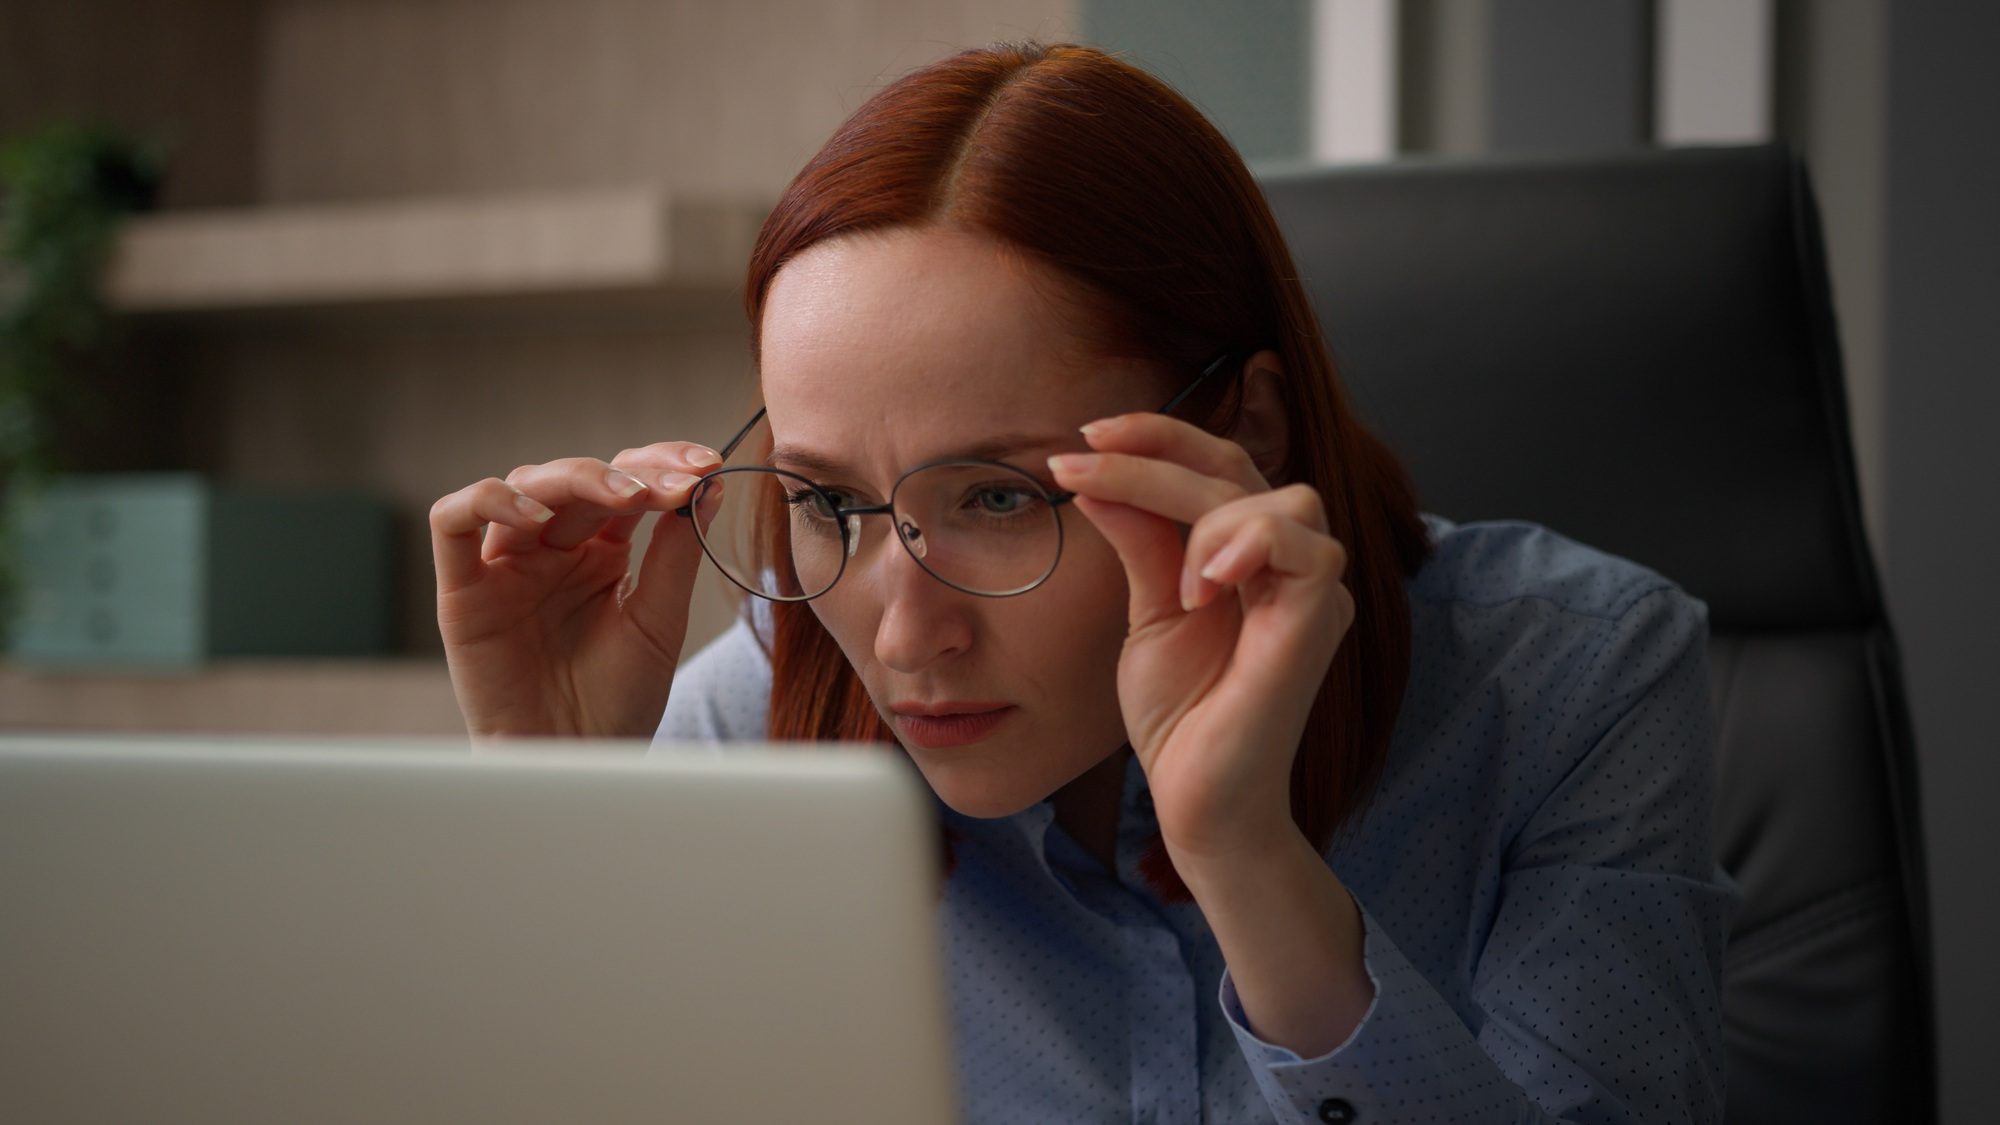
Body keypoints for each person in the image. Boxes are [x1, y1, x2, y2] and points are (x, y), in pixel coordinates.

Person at [430, 41, 1741, 1124]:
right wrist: (552, 816)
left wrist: (1246, 854)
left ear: (1251, 431)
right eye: (829, 500)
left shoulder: (1578, 677)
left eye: (1000, 497)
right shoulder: (744, 725)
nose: (904, 632)